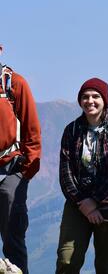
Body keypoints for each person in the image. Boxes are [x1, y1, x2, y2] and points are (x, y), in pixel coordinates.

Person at [56, 78, 108, 274]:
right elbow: (66, 173)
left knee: (106, 265)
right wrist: (84, 202)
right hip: (78, 204)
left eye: (95, 96)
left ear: (104, 100)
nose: (90, 101)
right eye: (85, 97)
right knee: (67, 262)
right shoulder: (72, 130)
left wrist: (97, 199)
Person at [0, 44, 41, 274]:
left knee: (13, 240)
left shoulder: (14, 83)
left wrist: (24, 173)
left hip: (10, 170)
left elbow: (32, 132)